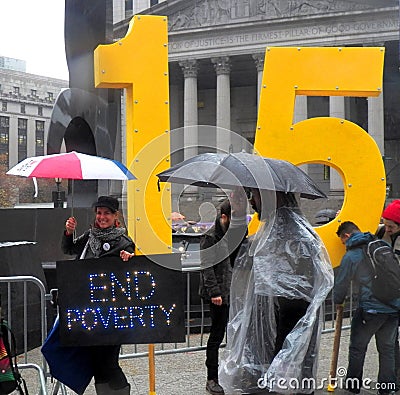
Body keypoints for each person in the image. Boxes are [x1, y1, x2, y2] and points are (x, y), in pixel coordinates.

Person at [218, 188, 333, 394]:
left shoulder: (295, 235)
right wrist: (237, 215)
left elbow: (300, 290)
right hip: (273, 324)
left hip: (287, 323)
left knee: (287, 376)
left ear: (274, 197)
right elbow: (241, 261)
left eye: (256, 196)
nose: (252, 202)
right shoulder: (270, 233)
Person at [62, 195, 135, 395]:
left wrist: (130, 258)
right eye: (99, 213)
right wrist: (69, 232)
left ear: (115, 216)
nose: (102, 217)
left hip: (111, 314)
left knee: (108, 361)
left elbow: (133, 269)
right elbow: (68, 249)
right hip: (89, 312)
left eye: (106, 214)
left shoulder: (123, 242)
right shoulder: (89, 237)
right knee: (96, 361)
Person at [334, 221, 399, 394]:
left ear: (346, 236)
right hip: (393, 308)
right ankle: (387, 389)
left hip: (371, 309)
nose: (344, 245)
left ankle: (353, 386)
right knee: (387, 349)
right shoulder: (380, 245)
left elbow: (341, 284)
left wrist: (338, 300)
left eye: (343, 241)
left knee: (357, 347)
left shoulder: (352, 255)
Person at [199, 199, 245, 395]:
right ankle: (212, 378)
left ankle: (234, 373)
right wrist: (214, 292)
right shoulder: (210, 237)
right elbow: (206, 266)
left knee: (237, 334)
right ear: (224, 217)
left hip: (235, 291)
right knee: (216, 336)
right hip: (219, 293)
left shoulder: (236, 232)